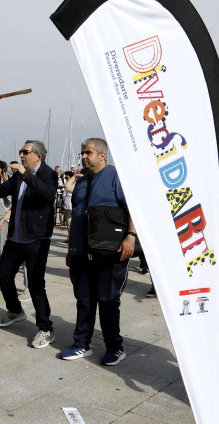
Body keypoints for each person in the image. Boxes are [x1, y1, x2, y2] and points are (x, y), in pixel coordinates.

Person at [60, 138, 134, 366]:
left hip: (109, 252)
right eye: (82, 152)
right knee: (84, 300)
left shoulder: (115, 177)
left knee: (108, 300)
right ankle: (82, 344)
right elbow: (77, 218)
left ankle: (115, 347)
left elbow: (133, 208)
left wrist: (130, 237)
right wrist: (72, 248)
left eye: (88, 152)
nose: (83, 156)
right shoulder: (81, 182)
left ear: (102, 155)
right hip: (83, 253)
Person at [0, 140, 59, 348]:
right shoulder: (19, 176)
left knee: (36, 284)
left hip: (37, 238)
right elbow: (1, 192)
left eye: (25, 152)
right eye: (20, 152)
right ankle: (15, 310)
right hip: (16, 236)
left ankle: (45, 329)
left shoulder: (48, 173)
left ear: (37, 156)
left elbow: (48, 194)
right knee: (4, 275)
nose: (21, 155)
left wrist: (25, 174)